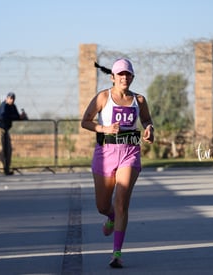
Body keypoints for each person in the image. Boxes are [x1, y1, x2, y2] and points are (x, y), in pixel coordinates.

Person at [81, 58, 155, 268]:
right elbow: (85, 121)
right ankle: (111, 217)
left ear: (132, 77)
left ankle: (117, 253)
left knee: (122, 201)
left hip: (130, 152)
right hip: (105, 153)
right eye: (120, 74)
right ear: (113, 77)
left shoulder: (139, 100)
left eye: (128, 74)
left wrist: (150, 130)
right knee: (103, 206)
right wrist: (105, 129)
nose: (124, 78)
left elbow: (148, 120)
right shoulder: (103, 97)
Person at [0, 92, 27, 175]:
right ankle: (1, 170)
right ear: (6, 98)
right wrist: (16, 117)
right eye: (10, 98)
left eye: (13, 98)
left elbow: (16, 117)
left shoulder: (13, 106)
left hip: (5, 129)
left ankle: (6, 169)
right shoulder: (4, 105)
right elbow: (3, 116)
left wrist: (21, 117)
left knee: (8, 149)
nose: (11, 100)